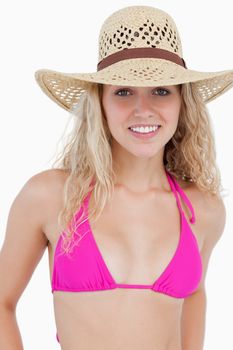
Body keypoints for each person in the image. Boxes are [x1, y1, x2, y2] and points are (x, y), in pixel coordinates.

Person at [0, 5, 231, 350]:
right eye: (123, 92)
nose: (143, 109)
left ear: (183, 103)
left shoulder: (203, 209)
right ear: (100, 102)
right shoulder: (51, 196)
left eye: (161, 90)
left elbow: (193, 296)